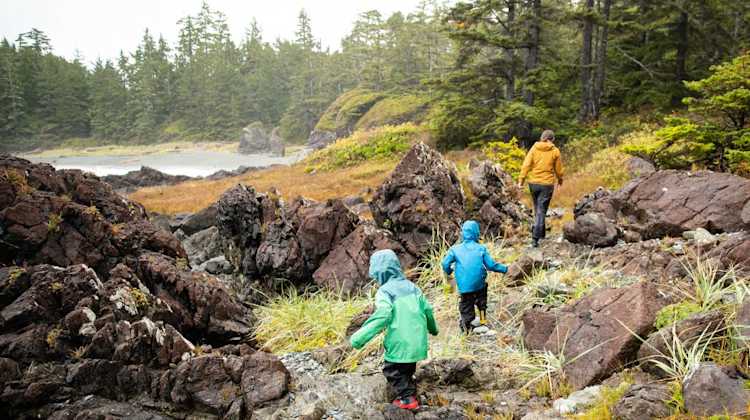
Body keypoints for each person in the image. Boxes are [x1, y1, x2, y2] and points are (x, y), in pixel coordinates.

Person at [350, 249, 439, 411]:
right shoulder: (413, 288)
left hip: (400, 343)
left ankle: (407, 399)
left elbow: (383, 315)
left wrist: (358, 338)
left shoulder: (385, 292)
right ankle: (410, 392)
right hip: (418, 343)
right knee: (407, 368)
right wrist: (434, 330)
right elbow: (428, 311)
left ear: (379, 272)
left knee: (391, 370)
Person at [441, 220, 508, 333]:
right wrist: (505, 269)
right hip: (479, 284)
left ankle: (467, 326)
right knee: (482, 302)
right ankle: (482, 320)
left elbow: (444, 263)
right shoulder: (481, 248)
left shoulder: (455, 250)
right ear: (477, 233)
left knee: (466, 306)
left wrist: (449, 271)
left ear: (463, 233)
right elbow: (491, 265)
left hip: (464, 287)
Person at [518, 129, 564, 248]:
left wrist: (521, 181)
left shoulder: (534, 148)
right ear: (551, 139)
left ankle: (541, 234)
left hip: (533, 183)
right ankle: (535, 239)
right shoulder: (555, 151)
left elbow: (526, 165)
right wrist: (560, 180)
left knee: (538, 208)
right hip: (547, 184)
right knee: (541, 210)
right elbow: (559, 170)